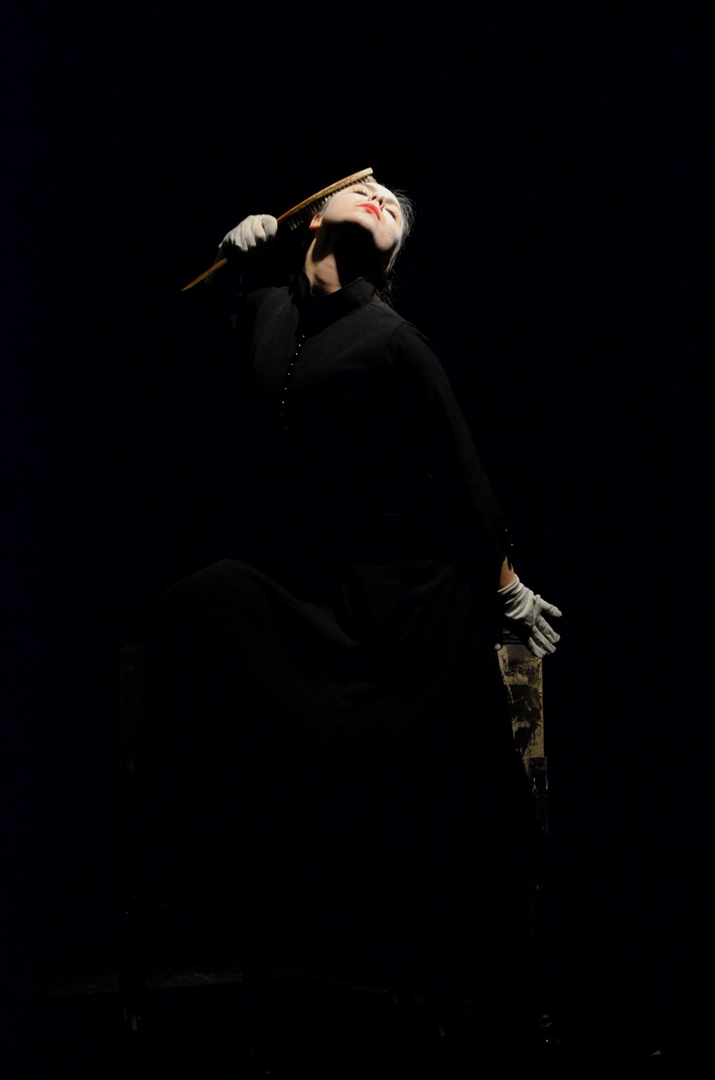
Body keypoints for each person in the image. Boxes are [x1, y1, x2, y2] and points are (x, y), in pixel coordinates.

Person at [137, 176, 562, 1070]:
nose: (379, 200)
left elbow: (462, 470)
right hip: (324, 588)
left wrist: (507, 586)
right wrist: (230, 262)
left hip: (415, 603)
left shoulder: (393, 338)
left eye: (394, 208)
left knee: (446, 791)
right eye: (366, 191)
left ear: (395, 252)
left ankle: (488, 991)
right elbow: (157, 360)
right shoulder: (268, 308)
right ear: (310, 217)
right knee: (204, 599)